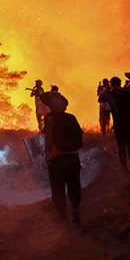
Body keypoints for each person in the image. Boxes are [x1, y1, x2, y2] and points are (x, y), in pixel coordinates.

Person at [40, 92, 83, 223]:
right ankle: (75, 210)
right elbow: (80, 135)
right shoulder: (72, 117)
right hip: (73, 156)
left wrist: (46, 153)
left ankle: (63, 214)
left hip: (57, 156)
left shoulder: (49, 117)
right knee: (74, 185)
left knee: (57, 186)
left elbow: (48, 136)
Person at [99, 76, 130, 171]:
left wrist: (106, 88)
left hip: (118, 123)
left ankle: (124, 165)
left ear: (111, 84)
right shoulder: (126, 92)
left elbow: (100, 99)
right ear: (120, 83)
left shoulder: (110, 94)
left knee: (121, 145)